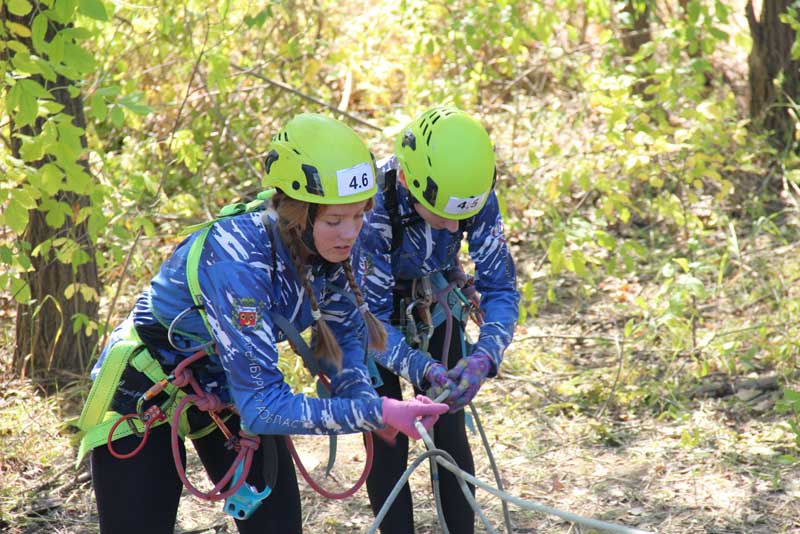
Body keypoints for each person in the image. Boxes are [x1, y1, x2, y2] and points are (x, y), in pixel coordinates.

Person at [73, 113, 448, 534]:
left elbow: (342, 348)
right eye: (334, 220)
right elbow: (265, 406)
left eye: (360, 216)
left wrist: (370, 405)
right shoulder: (239, 259)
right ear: (297, 213)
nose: (350, 233)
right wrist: (377, 410)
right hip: (145, 391)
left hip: (230, 389)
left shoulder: (338, 250)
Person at [359, 106, 520, 533]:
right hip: (367, 312)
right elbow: (369, 321)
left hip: (432, 296)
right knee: (387, 439)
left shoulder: (469, 192)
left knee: (448, 427)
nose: (454, 227)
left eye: (461, 216)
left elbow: (501, 288)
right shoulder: (370, 206)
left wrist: (485, 356)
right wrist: (421, 367)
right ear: (410, 182)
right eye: (441, 212)